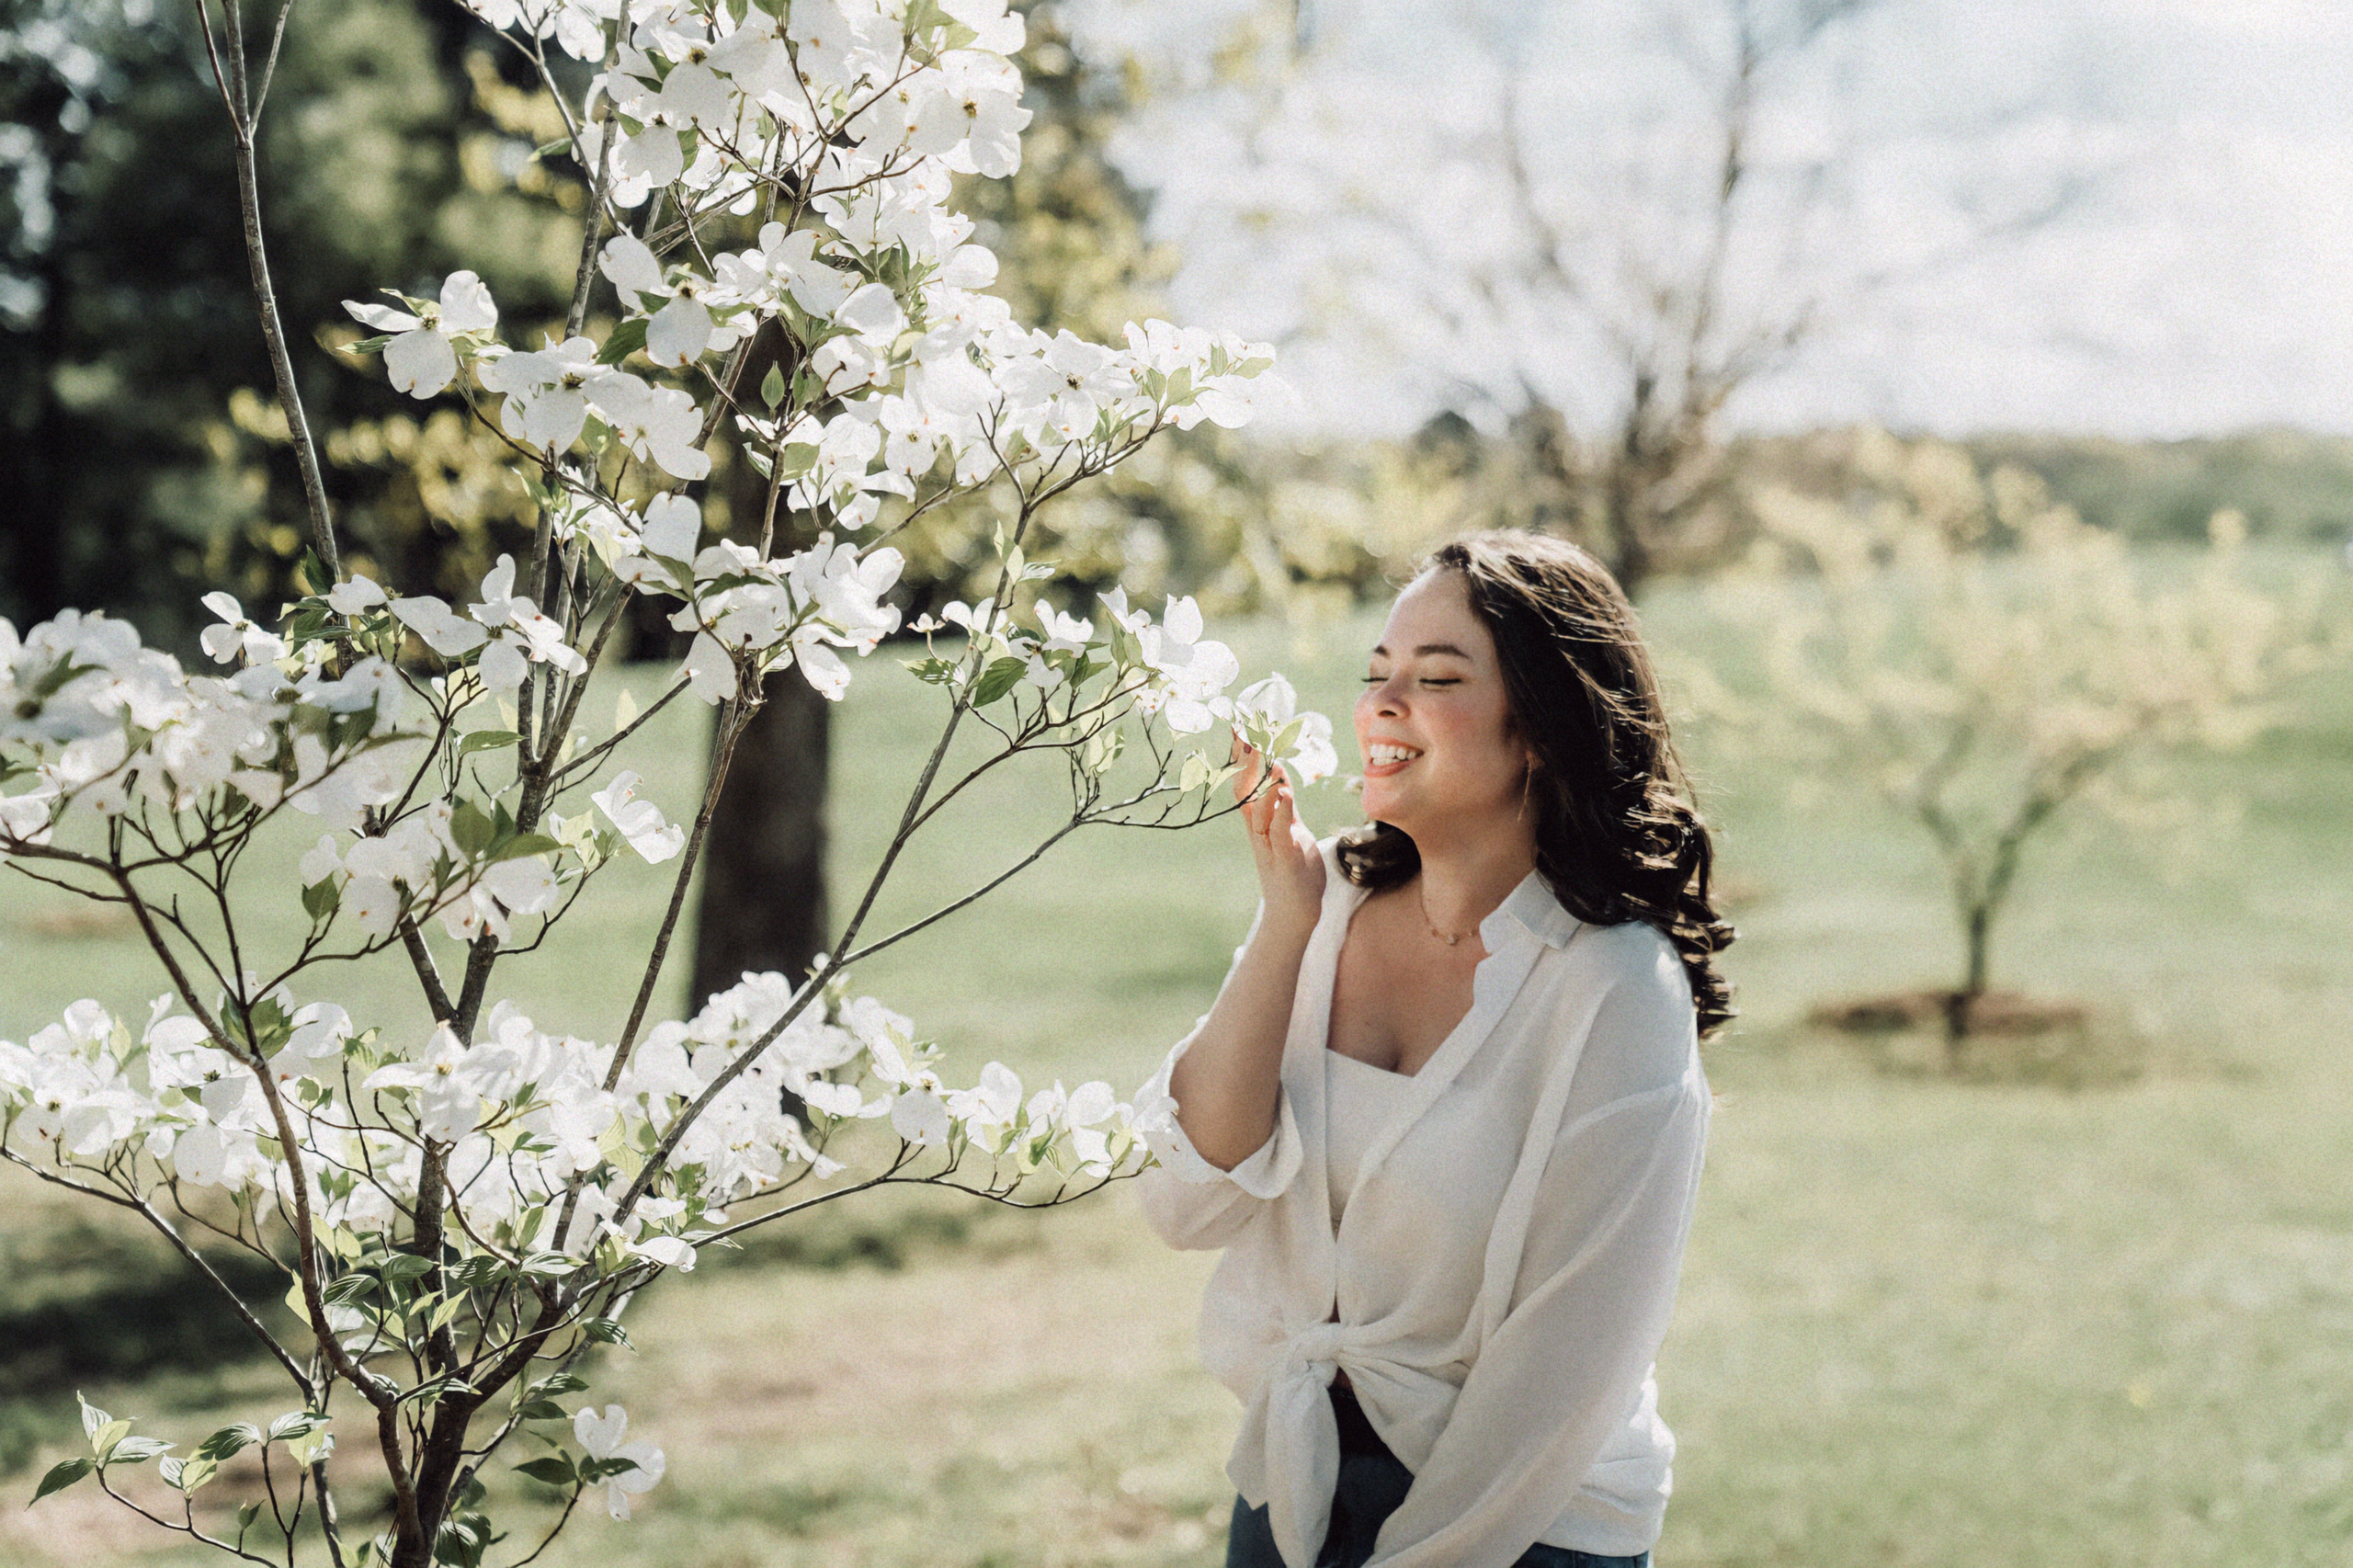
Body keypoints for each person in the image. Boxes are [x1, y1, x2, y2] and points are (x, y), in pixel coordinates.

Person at [1135, 531, 1733, 1568]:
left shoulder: (1616, 987)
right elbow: (1185, 1202)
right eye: (1376, 674)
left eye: (1436, 678)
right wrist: (1285, 924)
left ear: (1539, 728)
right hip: (1291, 1487)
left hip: (1525, 1527)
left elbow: (1563, 1371)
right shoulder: (1324, 904)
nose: (1380, 704)